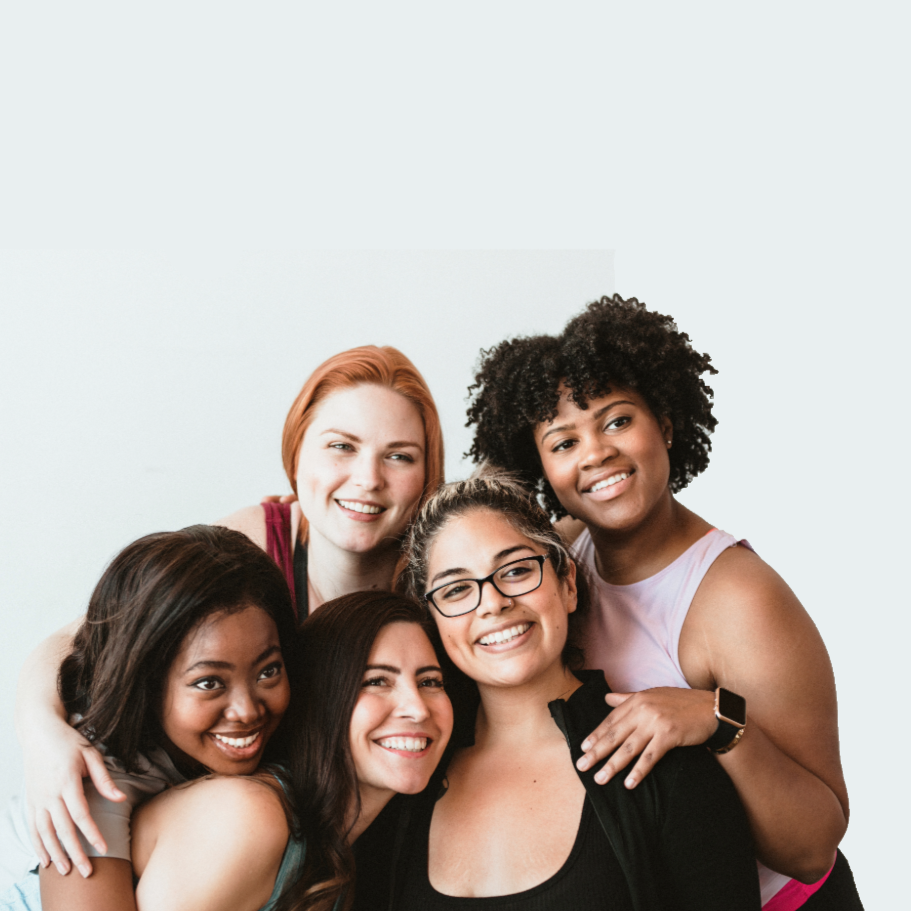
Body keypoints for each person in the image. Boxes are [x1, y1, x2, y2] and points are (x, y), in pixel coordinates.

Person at [465, 295, 861, 909]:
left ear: (666, 425)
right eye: (563, 443)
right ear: (541, 467)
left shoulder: (740, 598)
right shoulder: (559, 559)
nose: (595, 453)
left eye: (617, 421)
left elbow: (813, 847)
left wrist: (717, 720)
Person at [14, 344, 445, 876]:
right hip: (212, 845)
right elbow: (84, 640)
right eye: (341, 446)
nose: (368, 478)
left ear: (429, 473)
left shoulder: (442, 573)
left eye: (399, 456)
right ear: (296, 452)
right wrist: (41, 733)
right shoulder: (253, 546)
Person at [392, 475, 760, 911]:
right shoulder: (407, 776)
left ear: (567, 583)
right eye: (456, 590)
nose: (492, 603)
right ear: (433, 620)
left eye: (516, 570)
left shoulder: (665, 764)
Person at [0, 525, 297, 911]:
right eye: (209, 683)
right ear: (146, 684)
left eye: (268, 671)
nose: (247, 710)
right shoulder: (96, 774)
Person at [128, 590, 453, 911]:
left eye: (430, 682)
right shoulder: (247, 817)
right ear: (321, 696)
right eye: (376, 681)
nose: (417, 709)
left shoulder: (341, 853)